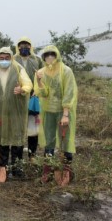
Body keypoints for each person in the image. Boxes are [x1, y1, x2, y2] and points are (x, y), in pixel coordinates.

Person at [0, 47, 32, 178]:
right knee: (2, 139)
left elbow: (28, 84)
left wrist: (22, 89)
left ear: (11, 58)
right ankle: (3, 167)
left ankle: (17, 168)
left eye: (7, 58)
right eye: (1, 58)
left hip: (17, 110)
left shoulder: (18, 69)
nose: (4, 61)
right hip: (0, 111)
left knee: (17, 139)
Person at [34, 45, 78, 183]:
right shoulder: (41, 72)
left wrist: (65, 114)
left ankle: (66, 169)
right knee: (49, 141)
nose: (50, 57)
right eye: (46, 55)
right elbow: (43, 93)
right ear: (43, 57)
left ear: (57, 55)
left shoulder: (66, 71)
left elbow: (69, 92)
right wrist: (39, 81)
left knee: (66, 141)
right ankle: (48, 170)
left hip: (63, 112)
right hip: (48, 112)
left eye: (52, 54)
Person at [13, 37, 44, 161]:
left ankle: (32, 155)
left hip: (33, 97)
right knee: (19, 128)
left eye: (27, 45)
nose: (24, 47)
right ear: (18, 47)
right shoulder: (14, 59)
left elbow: (42, 77)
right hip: (18, 97)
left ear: (31, 46)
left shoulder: (37, 60)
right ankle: (18, 157)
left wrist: (37, 92)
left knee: (33, 128)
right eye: (21, 45)